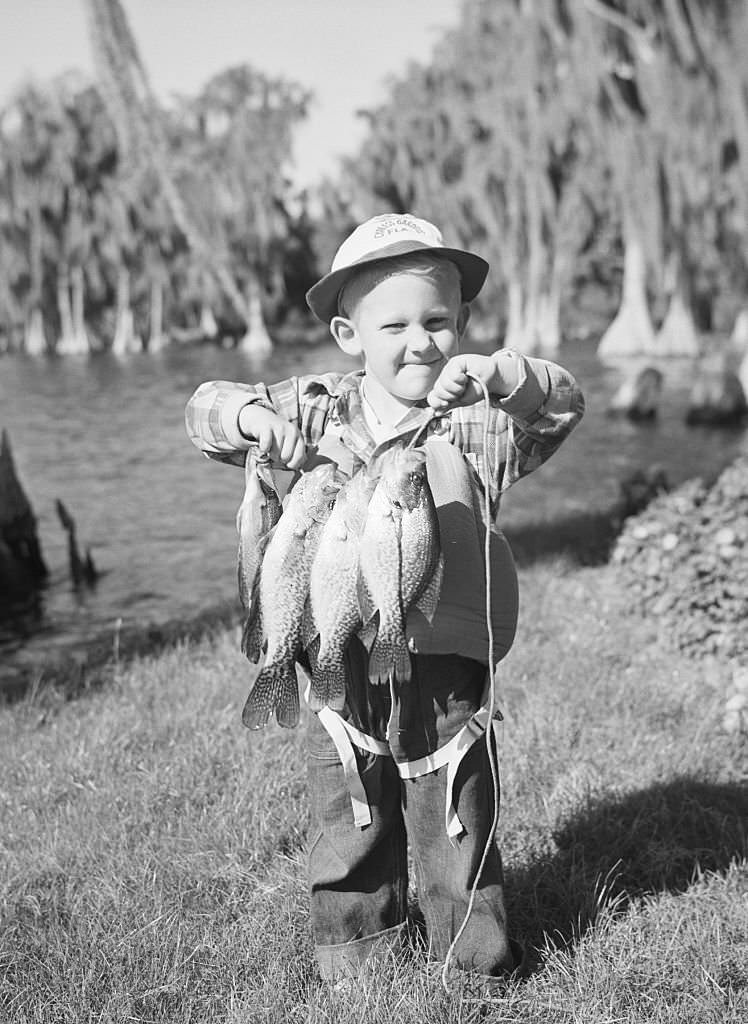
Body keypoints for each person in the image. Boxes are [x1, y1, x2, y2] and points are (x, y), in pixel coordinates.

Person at [185, 213, 585, 985]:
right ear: (348, 334)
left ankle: (473, 964)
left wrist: (504, 375)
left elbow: (563, 406)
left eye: (438, 322)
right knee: (349, 809)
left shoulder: (481, 421)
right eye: (394, 325)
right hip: (338, 656)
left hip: (446, 667)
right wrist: (252, 418)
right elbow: (203, 409)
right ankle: (357, 962)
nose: (421, 343)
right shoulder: (312, 407)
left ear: (461, 324)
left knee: (453, 815)